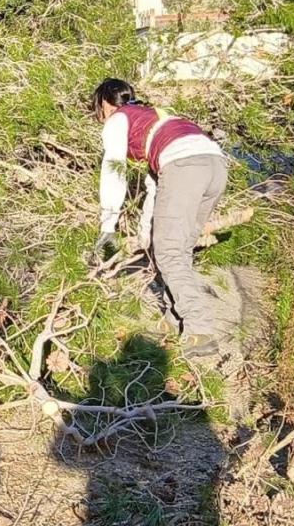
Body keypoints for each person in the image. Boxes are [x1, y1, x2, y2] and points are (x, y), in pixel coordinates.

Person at [90, 78, 229, 357]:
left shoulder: (118, 119)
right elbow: (156, 186)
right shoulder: (157, 116)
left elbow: (113, 169)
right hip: (215, 166)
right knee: (179, 248)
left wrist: (108, 226)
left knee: (169, 253)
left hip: (185, 168)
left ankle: (199, 331)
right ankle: (175, 318)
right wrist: (146, 233)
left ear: (105, 103)